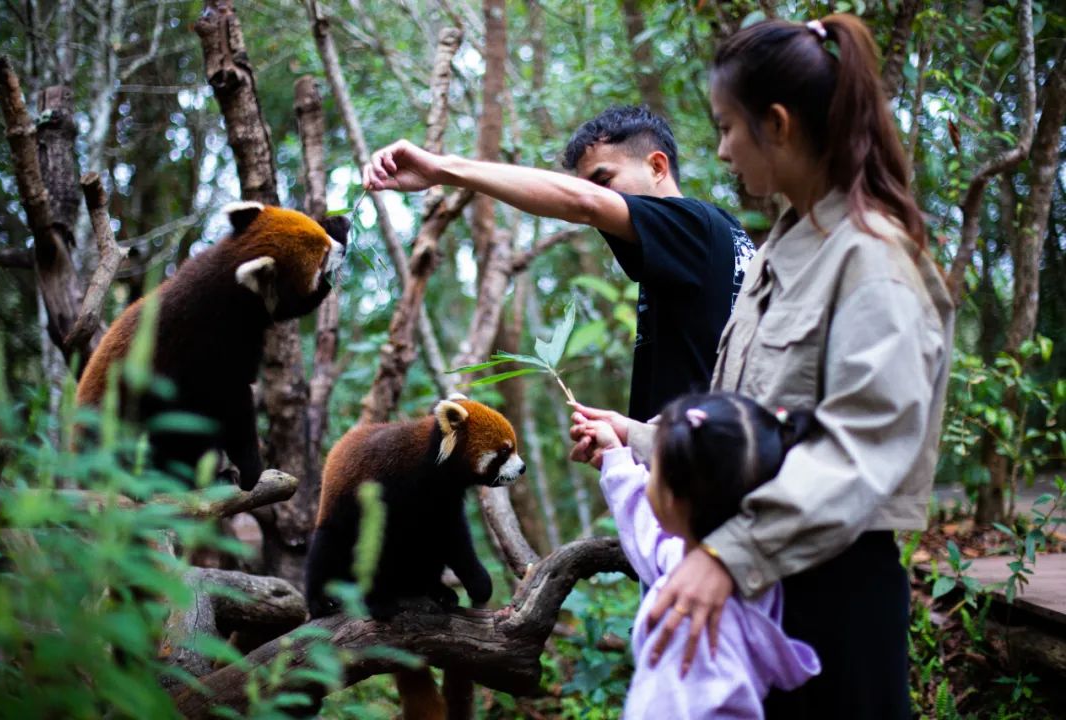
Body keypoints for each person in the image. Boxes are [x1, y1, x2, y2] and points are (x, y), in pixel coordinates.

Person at [570, 14, 954, 719]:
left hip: (830, 597)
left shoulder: (873, 260)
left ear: (776, 124)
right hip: (759, 589)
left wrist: (725, 558)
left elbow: (861, 442)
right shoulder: (784, 247)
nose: (720, 152)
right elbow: (757, 423)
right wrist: (634, 437)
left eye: (727, 127)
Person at [362, 105, 755, 422]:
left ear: (657, 166)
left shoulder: (690, 225)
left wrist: (442, 169)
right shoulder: (714, 233)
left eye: (603, 179)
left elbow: (582, 205)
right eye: (589, 184)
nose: (597, 197)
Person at [579, 391, 819, 719]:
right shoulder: (705, 572)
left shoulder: (699, 621)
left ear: (674, 500)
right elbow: (653, 538)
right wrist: (614, 456)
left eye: (655, 469)